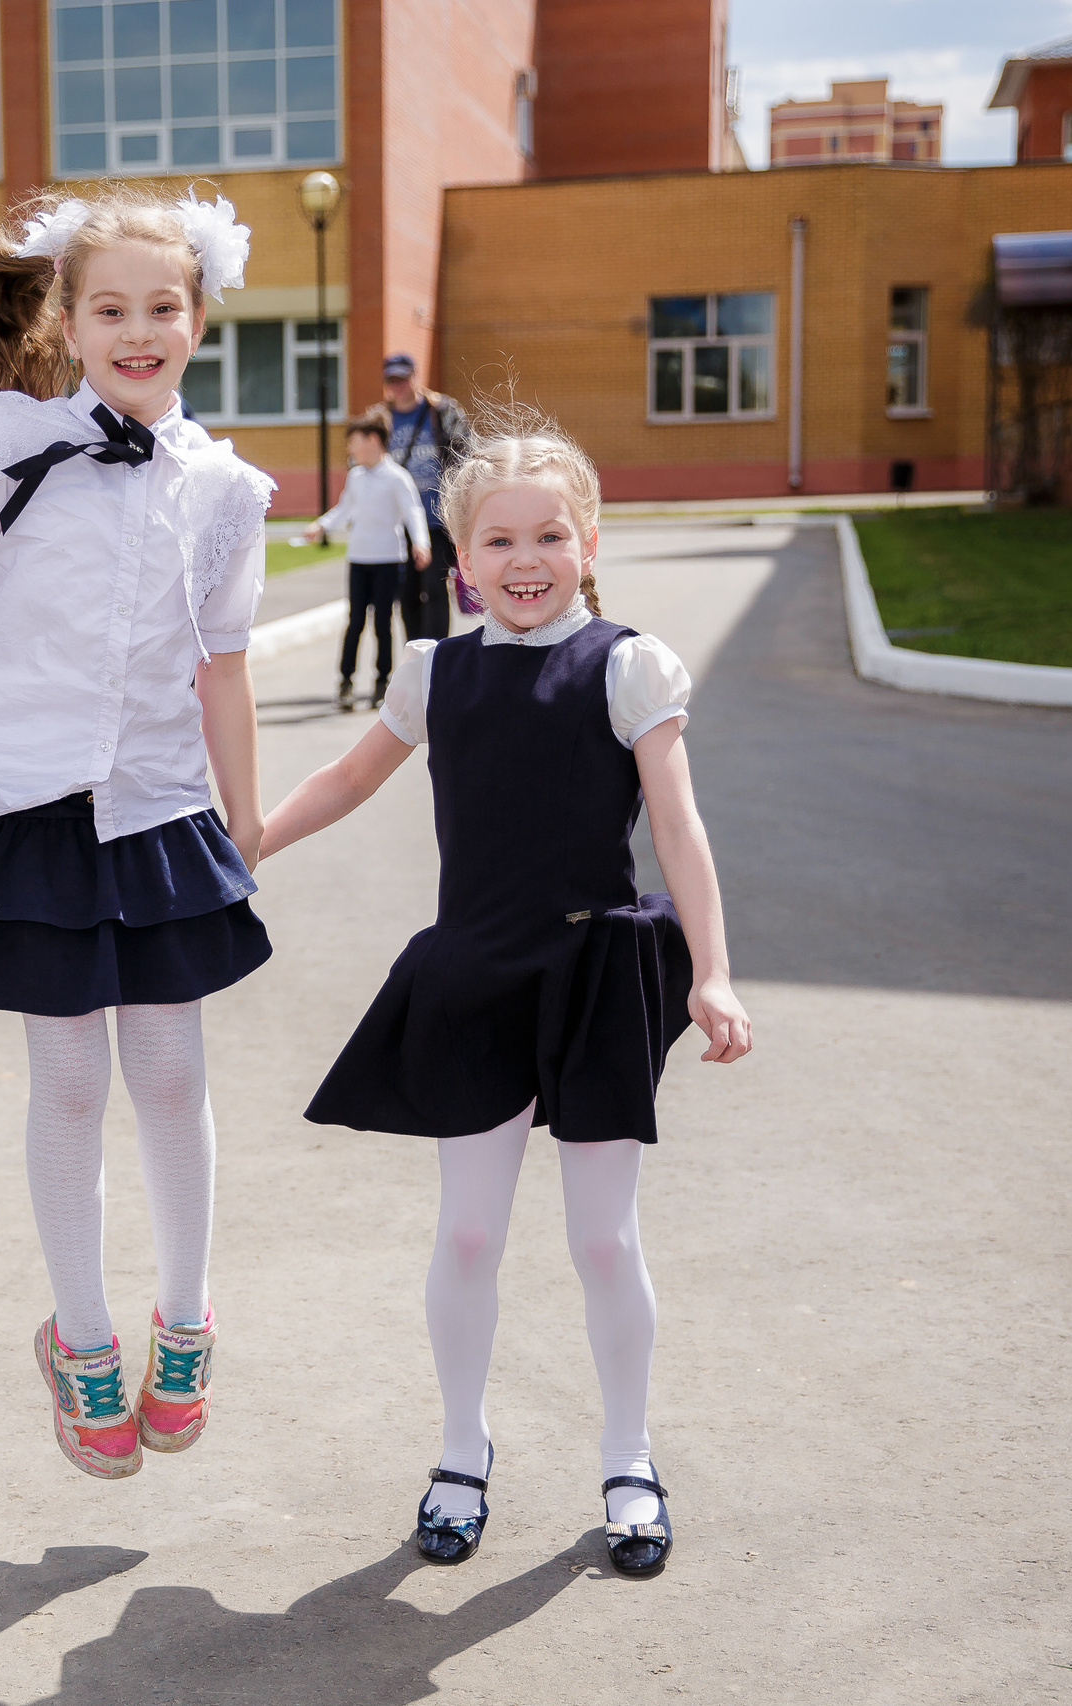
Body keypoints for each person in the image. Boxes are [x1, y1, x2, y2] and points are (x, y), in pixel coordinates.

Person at [259, 402, 752, 1572]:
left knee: (601, 1242)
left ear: (587, 541)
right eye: (498, 541)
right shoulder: (434, 671)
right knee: (470, 1231)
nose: (522, 561)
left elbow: (678, 828)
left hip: (594, 976)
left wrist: (715, 974)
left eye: (547, 536)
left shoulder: (628, 664)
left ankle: (628, 1455)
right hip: (476, 969)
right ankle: (459, 1450)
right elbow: (345, 775)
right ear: (460, 555)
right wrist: (249, 844)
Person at [0, 189, 275, 1482]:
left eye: (163, 307)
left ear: (198, 316)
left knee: (171, 1071)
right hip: (33, 802)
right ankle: (81, 1338)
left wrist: (245, 817)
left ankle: (185, 1322)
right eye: (111, 308)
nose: (138, 330)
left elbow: (224, 666)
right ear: (69, 318)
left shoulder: (223, 486)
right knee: (72, 1083)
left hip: (155, 805)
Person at [307, 408, 431, 711]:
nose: (350, 448)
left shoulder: (396, 478)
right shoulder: (356, 476)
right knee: (355, 622)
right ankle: (346, 681)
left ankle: (382, 681)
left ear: (373, 440)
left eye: (355, 441)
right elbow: (344, 509)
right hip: (359, 559)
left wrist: (421, 543)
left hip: (388, 560)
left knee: (383, 623)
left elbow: (413, 512)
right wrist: (321, 525)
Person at [381, 352, 473, 643]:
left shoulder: (442, 410)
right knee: (406, 593)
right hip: (398, 522)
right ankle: (415, 656)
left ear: (414, 378)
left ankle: (437, 655)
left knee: (434, 588)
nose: (398, 386)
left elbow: (466, 455)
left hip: (436, 518)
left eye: (402, 379)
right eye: (391, 380)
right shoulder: (380, 418)